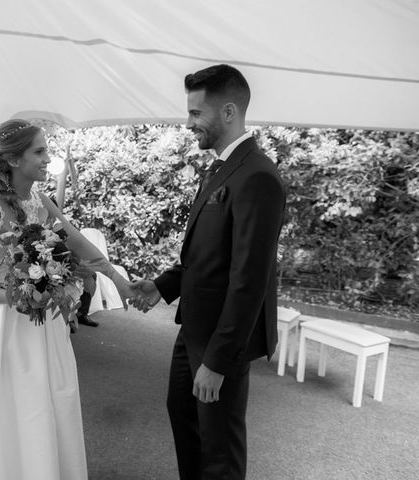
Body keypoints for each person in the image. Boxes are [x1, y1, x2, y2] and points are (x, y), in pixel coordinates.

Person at [0, 119, 135, 479]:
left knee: (46, 402)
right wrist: (14, 297)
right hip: (1, 327)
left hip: (44, 324)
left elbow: (76, 242)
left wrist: (118, 281)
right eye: (40, 151)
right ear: (15, 160)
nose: (48, 158)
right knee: (7, 407)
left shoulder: (40, 201)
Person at [132, 65, 286, 480]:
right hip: (192, 330)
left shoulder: (258, 176)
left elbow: (249, 280)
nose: (188, 123)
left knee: (219, 449)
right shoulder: (220, 168)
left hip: (222, 342)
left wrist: (218, 361)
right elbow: (205, 256)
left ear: (229, 112)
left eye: (196, 113)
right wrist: (162, 286)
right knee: (185, 422)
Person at [52, 159, 98, 329]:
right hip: (57, 270)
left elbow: (75, 247)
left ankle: (81, 313)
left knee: (92, 275)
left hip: (68, 265)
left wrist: (79, 264)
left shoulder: (60, 227)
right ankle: (69, 316)